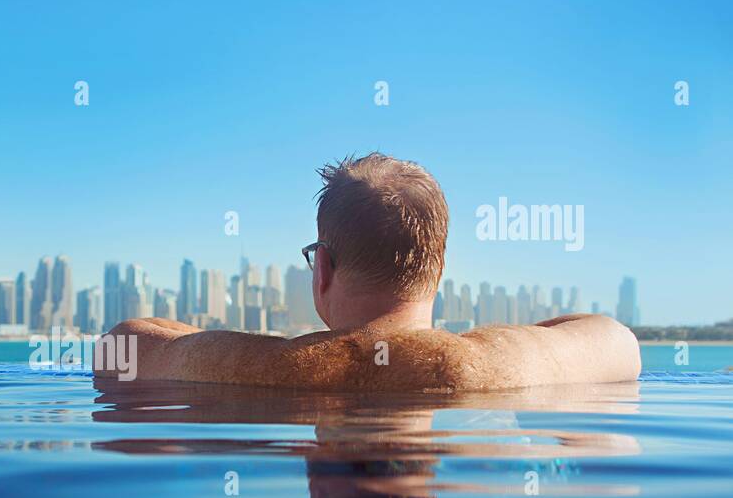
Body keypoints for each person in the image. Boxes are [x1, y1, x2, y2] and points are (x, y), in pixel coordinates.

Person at [95, 153, 640, 392]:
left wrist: (226, 346)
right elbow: (620, 343)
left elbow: (118, 348)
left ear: (323, 267)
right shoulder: (503, 363)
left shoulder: (264, 366)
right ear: (439, 268)